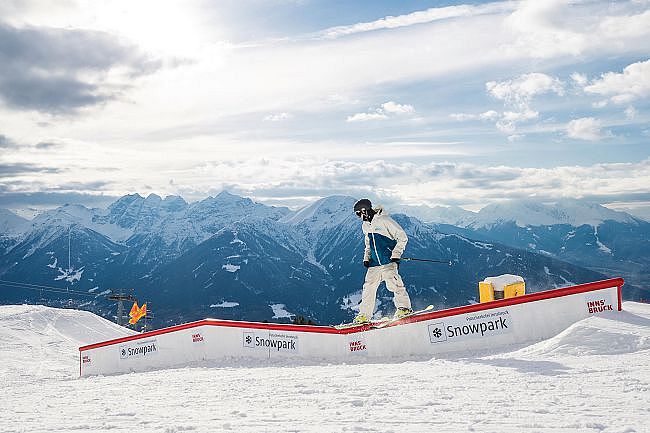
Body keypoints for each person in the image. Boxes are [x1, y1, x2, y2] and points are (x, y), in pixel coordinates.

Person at [353, 198, 413, 324]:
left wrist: (396, 254)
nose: (359, 217)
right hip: (374, 264)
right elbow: (368, 244)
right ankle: (364, 316)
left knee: (394, 284)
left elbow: (402, 237)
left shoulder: (384, 220)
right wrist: (366, 258)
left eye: (359, 214)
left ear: (365, 211)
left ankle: (404, 308)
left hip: (388, 260)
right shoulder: (365, 226)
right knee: (368, 288)